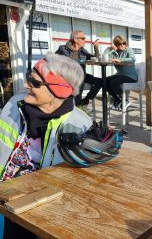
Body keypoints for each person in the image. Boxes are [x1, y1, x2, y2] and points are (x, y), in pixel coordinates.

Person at [0, 54, 93, 238]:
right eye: (28, 78)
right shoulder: (13, 104)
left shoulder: (79, 125)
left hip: (43, 208)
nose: (26, 85)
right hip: (6, 196)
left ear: (61, 91)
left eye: (34, 83)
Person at [55, 30, 102, 106]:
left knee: (100, 81)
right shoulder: (63, 48)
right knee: (80, 82)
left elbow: (95, 59)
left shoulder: (82, 50)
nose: (85, 40)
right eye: (83, 38)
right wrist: (85, 60)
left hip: (82, 75)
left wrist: (96, 48)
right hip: (68, 76)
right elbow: (70, 61)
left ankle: (86, 99)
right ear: (75, 39)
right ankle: (77, 105)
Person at [102, 35, 137, 109]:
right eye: (119, 44)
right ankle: (117, 99)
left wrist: (121, 60)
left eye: (124, 43)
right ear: (116, 45)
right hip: (120, 75)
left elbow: (133, 59)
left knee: (113, 82)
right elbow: (104, 58)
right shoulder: (114, 53)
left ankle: (124, 99)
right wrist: (109, 49)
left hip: (130, 76)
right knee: (104, 81)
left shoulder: (128, 50)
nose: (122, 45)